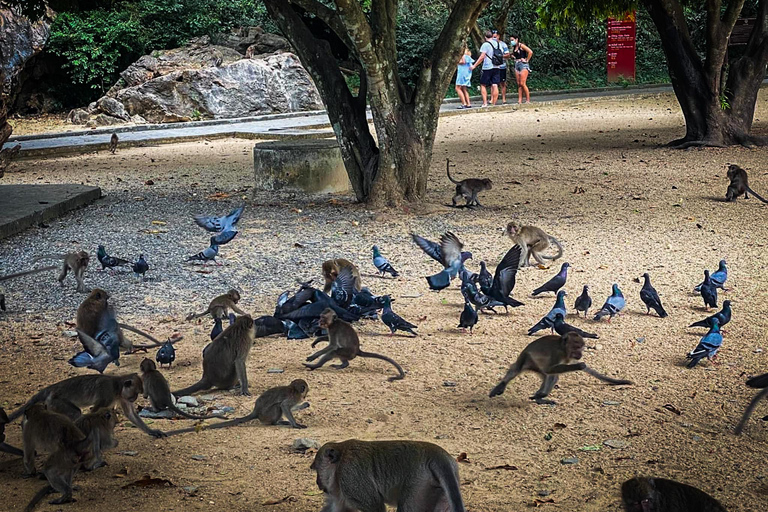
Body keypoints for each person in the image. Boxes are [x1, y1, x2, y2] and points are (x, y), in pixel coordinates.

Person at [470, 30, 502, 107]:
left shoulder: (485, 44)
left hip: (487, 66)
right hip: (497, 66)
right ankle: (494, 103)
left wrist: (474, 65)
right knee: (495, 85)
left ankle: (485, 103)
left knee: (483, 84)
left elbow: (482, 56)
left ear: (485, 37)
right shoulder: (498, 43)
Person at [510, 35, 533, 104]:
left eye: (512, 40)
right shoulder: (514, 47)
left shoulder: (521, 46)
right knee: (519, 84)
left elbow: (530, 52)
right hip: (517, 64)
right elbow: (513, 55)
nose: (511, 42)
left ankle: (527, 100)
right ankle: (519, 100)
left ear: (516, 39)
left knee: (523, 83)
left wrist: (527, 60)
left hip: (523, 65)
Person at [492, 30, 511, 104]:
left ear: (499, 36)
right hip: (493, 66)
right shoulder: (490, 44)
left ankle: (504, 99)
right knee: (493, 83)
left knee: (502, 83)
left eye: (495, 35)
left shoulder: (503, 44)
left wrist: (499, 56)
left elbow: (507, 54)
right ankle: (492, 99)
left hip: (502, 66)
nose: (494, 37)